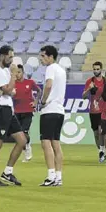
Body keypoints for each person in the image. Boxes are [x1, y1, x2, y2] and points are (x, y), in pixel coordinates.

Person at [0, 45, 27, 187]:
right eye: (10, 57)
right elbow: (10, 90)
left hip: (8, 109)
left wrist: (9, 88)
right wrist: (13, 75)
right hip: (0, 110)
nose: (11, 60)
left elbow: (10, 90)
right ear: (3, 56)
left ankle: (7, 172)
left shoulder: (3, 70)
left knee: (22, 140)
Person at [39, 45, 66, 186]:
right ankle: (58, 176)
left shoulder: (50, 69)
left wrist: (43, 101)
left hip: (49, 109)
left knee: (45, 142)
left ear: (51, 57)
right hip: (60, 111)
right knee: (56, 143)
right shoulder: (62, 70)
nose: (41, 59)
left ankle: (50, 176)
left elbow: (48, 85)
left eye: (43, 56)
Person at [13, 64, 42, 162]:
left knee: (24, 132)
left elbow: (39, 91)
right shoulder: (12, 84)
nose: (17, 74)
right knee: (19, 135)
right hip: (16, 111)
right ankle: (26, 147)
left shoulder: (30, 82)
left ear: (23, 73)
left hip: (28, 110)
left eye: (19, 72)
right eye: (15, 72)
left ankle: (27, 149)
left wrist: (35, 102)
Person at [82, 61, 106, 163]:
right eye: (94, 69)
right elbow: (83, 97)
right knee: (96, 133)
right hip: (93, 111)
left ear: (101, 69)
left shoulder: (105, 81)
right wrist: (89, 89)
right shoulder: (89, 81)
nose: (96, 71)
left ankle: (102, 150)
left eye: (97, 69)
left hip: (103, 110)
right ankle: (101, 151)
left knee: (101, 131)